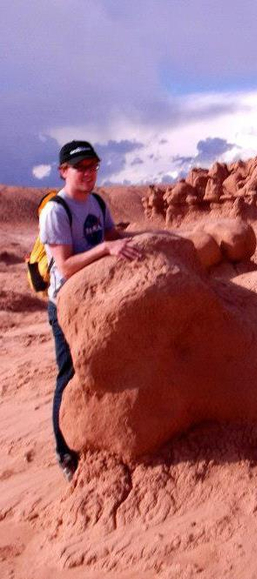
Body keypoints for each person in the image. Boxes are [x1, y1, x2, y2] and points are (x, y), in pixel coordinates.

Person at [39, 140, 141, 481]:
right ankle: (64, 453)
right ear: (63, 171)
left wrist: (121, 240)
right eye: (81, 167)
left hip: (98, 302)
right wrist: (106, 249)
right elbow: (66, 266)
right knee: (69, 376)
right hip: (66, 307)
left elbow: (108, 234)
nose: (88, 173)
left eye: (93, 166)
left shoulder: (97, 202)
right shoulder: (57, 210)